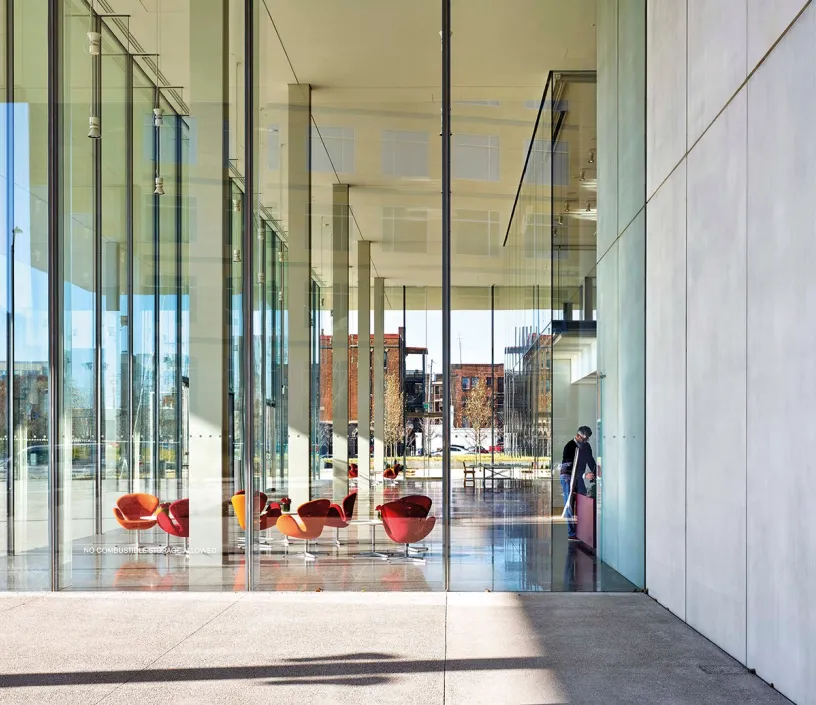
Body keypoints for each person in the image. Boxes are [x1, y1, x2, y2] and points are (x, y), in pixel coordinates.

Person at [560, 426, 597, 541]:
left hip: (578, 476)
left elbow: (590, 460)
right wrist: (584, 475)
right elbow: (569, 467)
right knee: (570, 504)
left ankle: (581, 530)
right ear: (578, 436)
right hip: (568, 477)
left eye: (586, 440)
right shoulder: (569, 447)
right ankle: (572, 533)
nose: (585, 442)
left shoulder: (585, 446)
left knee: (582, 500)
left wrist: (595, 472)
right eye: (583, 439)